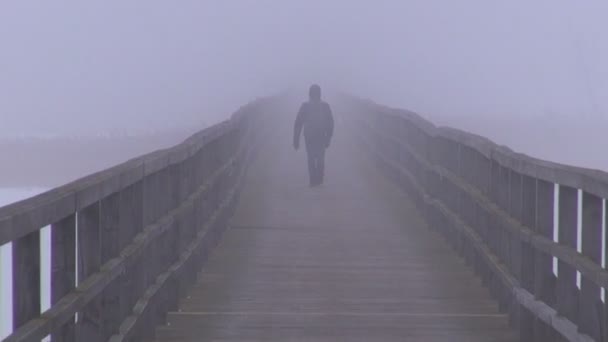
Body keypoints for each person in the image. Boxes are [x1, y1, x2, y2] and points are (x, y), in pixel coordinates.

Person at [293, 84, 334, 187]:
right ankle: (319, 178)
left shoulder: (305, 106)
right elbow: (330, 123)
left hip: (309, 136)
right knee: (320, 157)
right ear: (320, 94)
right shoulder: (325, 106)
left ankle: (313, 180)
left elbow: (298, 123)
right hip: (321, 135)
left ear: (309, 94)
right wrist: (329, 137)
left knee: (311, 157)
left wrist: (296, 140)